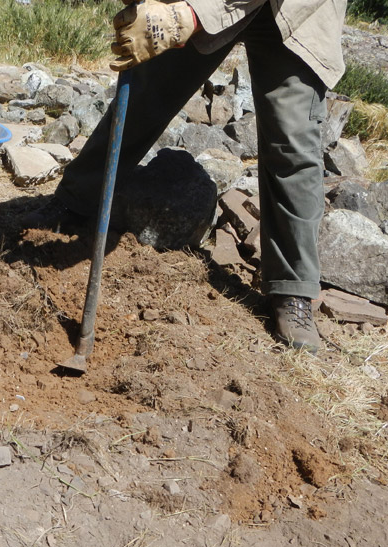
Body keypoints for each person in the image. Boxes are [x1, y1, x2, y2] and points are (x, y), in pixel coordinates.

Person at [28, 0, 347, 354]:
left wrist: (189, 16)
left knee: (293, 144)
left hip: (296, 14)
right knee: (144, 92)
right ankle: (75, 201)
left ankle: (293, 289)